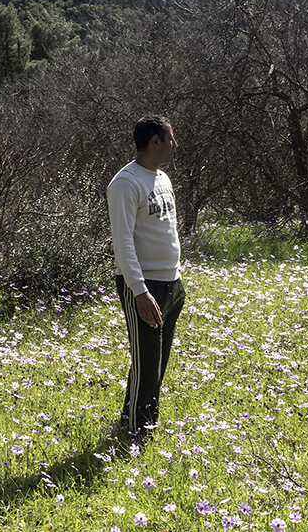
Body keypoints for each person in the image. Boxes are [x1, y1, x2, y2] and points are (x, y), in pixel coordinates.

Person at [107, 114, 185, 439]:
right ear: (156, 141)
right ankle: (140, 434)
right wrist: (139, 291)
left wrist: (177, 280)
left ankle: (131, 420)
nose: (174, 144)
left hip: (171, 284)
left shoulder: (162, 178)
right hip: (144, 288)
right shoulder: (125, 183)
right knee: (147, 365)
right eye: (171, 138)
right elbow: (122, 241)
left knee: (155, 364)